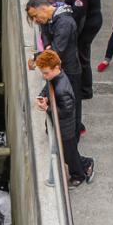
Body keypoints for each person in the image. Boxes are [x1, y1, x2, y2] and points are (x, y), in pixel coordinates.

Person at [26, 0, 83, 140]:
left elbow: (57, 51)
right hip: (60, 68)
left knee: (71, 106)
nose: (35, 20)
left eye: (35, 15)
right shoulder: (50, 18)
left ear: (43, 8)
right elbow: (45, 34)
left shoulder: (64, 23)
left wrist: (36, 56)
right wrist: (47, 46)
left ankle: (73, 137)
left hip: (69, 70)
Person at [35, 50, 94, 186]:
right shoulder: (56, 78)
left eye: (46, 73)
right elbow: (47, 88)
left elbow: (65, 111)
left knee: (69, 154)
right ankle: (85, 165)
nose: (44, 76)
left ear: (56, 68)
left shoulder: (62, 88)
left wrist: (46, 108)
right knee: (69, 152)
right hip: (64, 126)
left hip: (66, 128)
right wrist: (43, 96)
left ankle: (79, 175)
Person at [64, 0, 103, 102]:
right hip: (94, 19)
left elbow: (78, 15)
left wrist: (73, 33)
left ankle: (85, 89)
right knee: (84, 54)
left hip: (87, 23)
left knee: (82, 55)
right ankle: (85, 87)